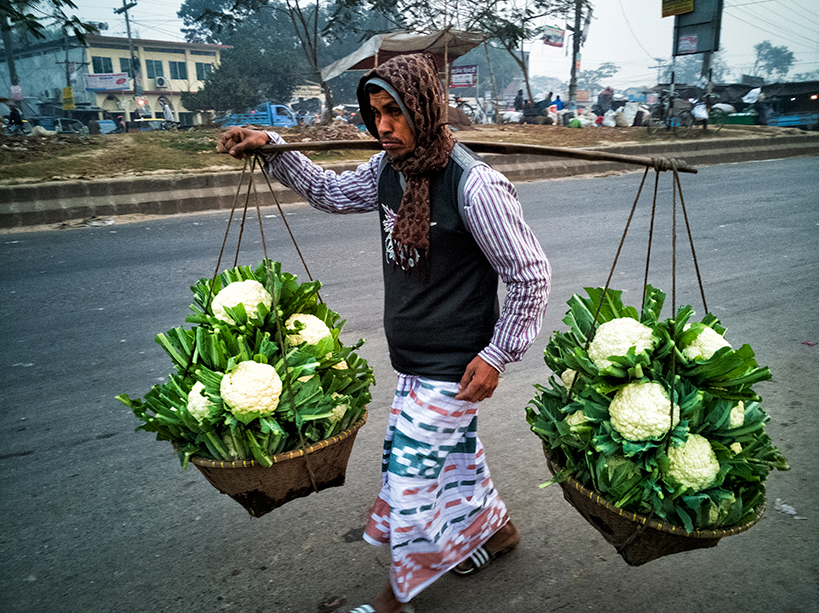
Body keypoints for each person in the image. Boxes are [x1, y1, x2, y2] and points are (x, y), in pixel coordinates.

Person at [216, 53, 551, 613]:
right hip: (413, 360)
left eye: (395, 112)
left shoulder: (475, 187)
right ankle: (498, 533)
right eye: (375, 114)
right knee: (456, 464)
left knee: (411, 481)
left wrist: (497, 356)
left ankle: (397, 597)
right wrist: (271, 145)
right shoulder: (387, 171)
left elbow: (529, 274)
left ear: (424, 108)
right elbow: (329, 191)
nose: (384, 127)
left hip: (456, 365)